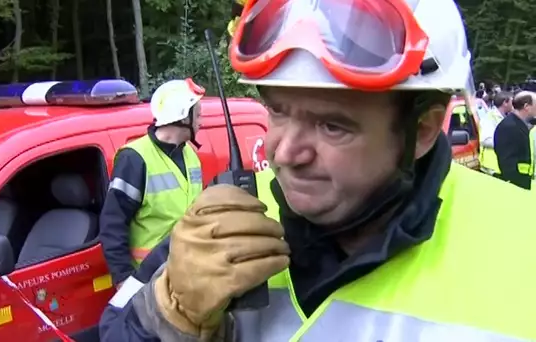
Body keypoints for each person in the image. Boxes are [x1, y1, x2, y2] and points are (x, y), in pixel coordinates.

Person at [100, 1, 536, 341]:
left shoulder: (523, 243)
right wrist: (168, 313)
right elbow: (110, 329)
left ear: (421, 130)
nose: (284, 153)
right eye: (276, 112)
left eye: (332, 126)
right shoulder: (231, 217)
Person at [98, 78, 205, 289]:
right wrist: (123, 278)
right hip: (149, 278)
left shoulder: (190, 154)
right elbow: (113, 223)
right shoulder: (135, 158)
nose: (201, 121)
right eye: (198, 114)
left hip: (188, 271)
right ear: (183, 116)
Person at [494, 91, 536, 189]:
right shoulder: (509, 127)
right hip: (518, 184)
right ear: (526, 106)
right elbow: (507, 162)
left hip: (526, 182)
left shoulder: (520, 123)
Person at [478, 91, 513, 175]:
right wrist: (508, 143)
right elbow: (485, 140)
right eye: (512, 101)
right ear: (505, 102)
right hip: (491, 165)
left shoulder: (504, 116)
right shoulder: (489, 118)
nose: (514, 104)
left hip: (500, 164)